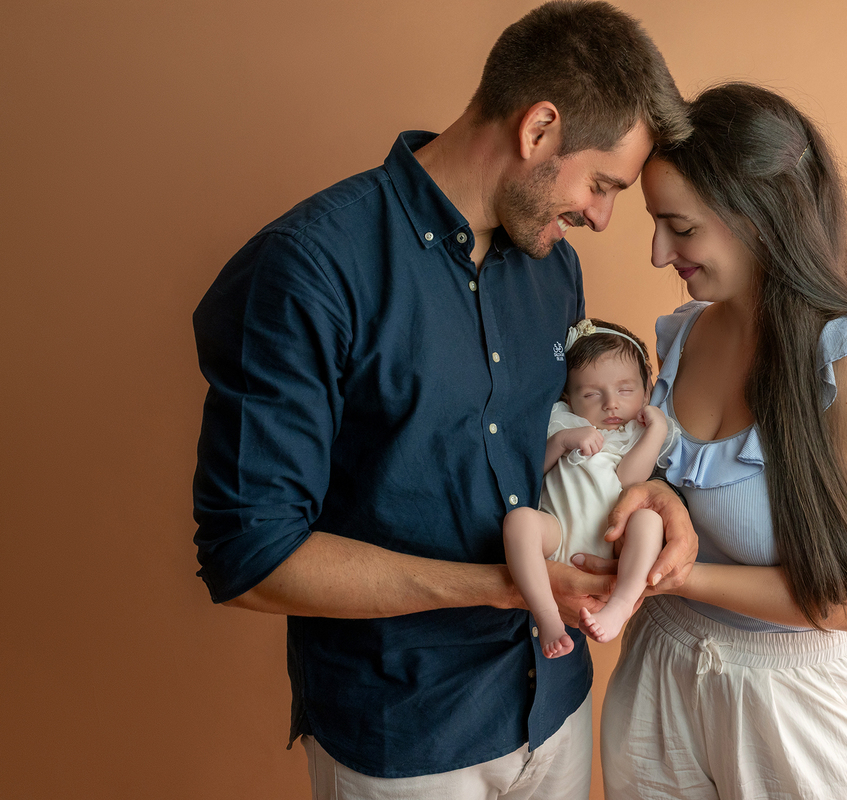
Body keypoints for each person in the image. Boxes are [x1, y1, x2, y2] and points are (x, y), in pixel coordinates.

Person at [190, 3, 697, 798]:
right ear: (538, 129)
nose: (602, 218)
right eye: (601, 185)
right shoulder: (309, 268)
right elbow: (250, 556)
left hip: (556, 710)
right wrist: (503, 585)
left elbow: (574, 442)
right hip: (405, 734)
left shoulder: (555, 269)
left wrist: (656, 498)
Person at [596, 83, 847, 799]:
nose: (659, 253)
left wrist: (672, 576)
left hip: (798, 707)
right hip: (660, 674)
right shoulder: (684, 333)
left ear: (757, 217)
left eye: (680, 228)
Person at [504, 318, 677, 660]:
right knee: (519, 522)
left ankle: (619, 605)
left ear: (646, 389)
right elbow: (530, 473)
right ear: (568, 395)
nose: (610, 403)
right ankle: (547, 616)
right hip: (556, 533)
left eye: (625, 390)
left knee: (648, 521)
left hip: (612, 541)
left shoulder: (638, 432)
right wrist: (561, 441)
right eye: (591, 394)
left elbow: (629, 481)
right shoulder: (563, 421)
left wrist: (656, 432)